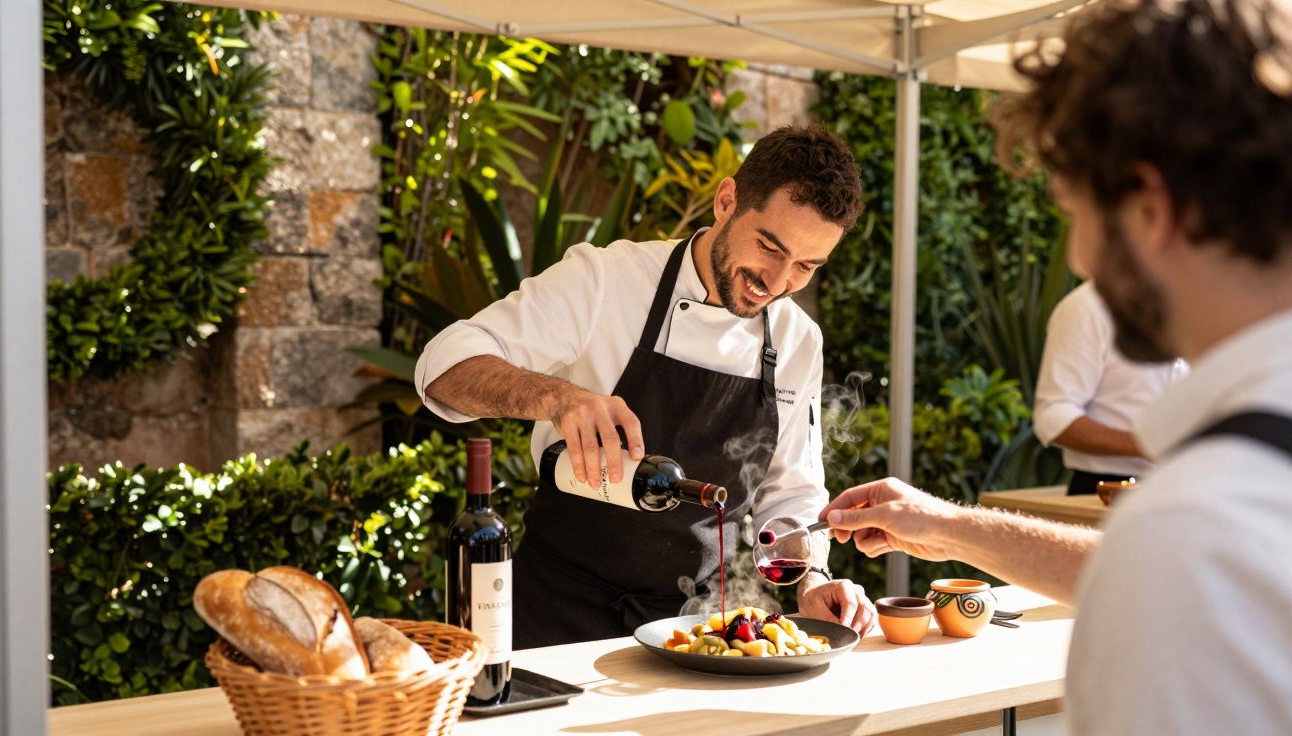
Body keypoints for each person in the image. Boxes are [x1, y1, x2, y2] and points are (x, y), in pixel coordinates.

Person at [821, 0, 1292, 732]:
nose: (1077, 257)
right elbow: (1139, 573)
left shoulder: (1196, 531)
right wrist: (948, 527)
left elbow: (1170, 569)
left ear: (1149, 207)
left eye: (1076, 211)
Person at [415, 124, 876, 647]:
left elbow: (789, 491)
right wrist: (557, 398)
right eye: (770, 246)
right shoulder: (605, 281)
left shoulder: (797, 340)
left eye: (805, 267)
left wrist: (809, 577)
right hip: (554, 616)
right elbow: (442, 365)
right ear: (727, 201)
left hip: (696, 630)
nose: (776, 281)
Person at [1033, 280, 1187, 494]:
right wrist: (1145, 444)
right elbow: (1054, 414)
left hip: (1195, 487)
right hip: (1105, 492)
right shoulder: (1088, 306)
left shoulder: (1207, 305)